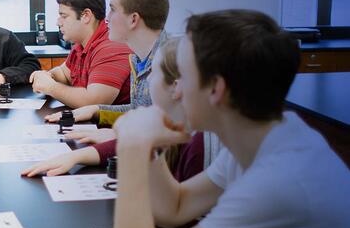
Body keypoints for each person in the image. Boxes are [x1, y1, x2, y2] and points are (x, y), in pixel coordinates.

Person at [113, 10, 350, 228]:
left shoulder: (280, 180)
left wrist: (132, 149)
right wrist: (149, 149)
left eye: (183, 74)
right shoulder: (259, 139)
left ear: (216, 88)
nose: (176, 87)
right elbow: (175, 208)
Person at [22, 38, 212, 181]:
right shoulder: (171, 126)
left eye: (155, 74)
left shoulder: (196, 144)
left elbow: (169, 212)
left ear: (176, 86)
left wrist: (132, 143)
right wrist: (77, 155)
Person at [30, 0, 132, 108]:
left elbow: (94, 102)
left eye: (64, 16)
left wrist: (50, 87)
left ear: (86, 16)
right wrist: (48, 75)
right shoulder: (81, 43)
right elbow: (64, 74)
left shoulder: (111, 46)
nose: (58, 22)